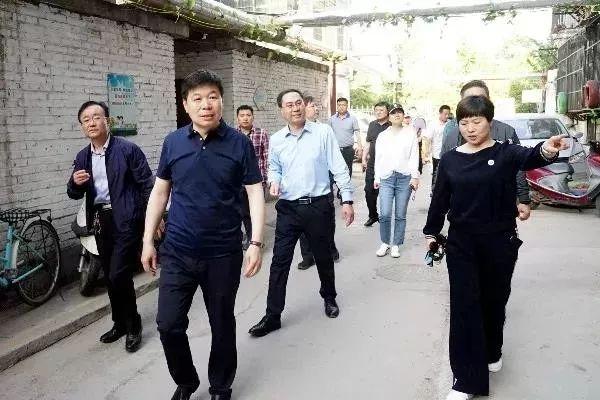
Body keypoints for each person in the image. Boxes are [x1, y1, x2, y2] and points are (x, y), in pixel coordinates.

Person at [423, 96, 568, 400]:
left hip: (499, 241)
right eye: (464, 123)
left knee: (493, 302)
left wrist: (547, 149)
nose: (470, 128)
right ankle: (465, 380)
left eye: (476, 121)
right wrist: (431, 232)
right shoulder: (450, 160)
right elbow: (440, 199)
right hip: (462, 243)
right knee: (465, 308)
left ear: (490, 121)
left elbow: (531, 156)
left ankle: (492, 350)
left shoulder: (505, 152)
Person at [141, 70, 265, 400]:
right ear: (185, 104)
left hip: (222, 252)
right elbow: (160, 192)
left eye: (212, 97)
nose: (205, 104)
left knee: (221, 322)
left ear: (221, 101)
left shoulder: (239, 143)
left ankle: (220, 385)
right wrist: (148, 240)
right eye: (197, 98)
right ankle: (186, 380)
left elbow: (254, 192)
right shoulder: (173, 142)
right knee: (168, 324)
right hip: (178, 251)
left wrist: (255, 242)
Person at [248, 89, 355, 338]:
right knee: (279, 263)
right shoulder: (277, 139)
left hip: (318, 206)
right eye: (289, 105)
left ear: (304, 106)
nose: (295, 108)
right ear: (281, 110)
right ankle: (273, 315)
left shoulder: (323, 133)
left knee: (323, 257)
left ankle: (329, 297)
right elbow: (274, 168)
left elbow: (338, 166)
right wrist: (274, 180)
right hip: (288, 209)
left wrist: (347, 199)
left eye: (299, 103)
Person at [67, 101, 153, 353]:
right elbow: (73, 193)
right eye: (86, 120)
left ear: (108, 121)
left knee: (118, 274)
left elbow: (147, 184)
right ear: (82, 127)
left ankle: (133, 323)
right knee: (110, 274)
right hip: (100, 220)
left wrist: (154, 218)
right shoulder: (82, 157)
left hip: (127, 217)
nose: (91, 122)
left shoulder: (128, 150)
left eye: (96, 117)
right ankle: (120, 323)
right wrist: (74, 183)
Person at [441, 80, 532, 220]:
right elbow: (442, 172)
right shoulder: (452, 136)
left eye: (480, 98)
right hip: (463, 211)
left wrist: (524, 199)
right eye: (470, 99)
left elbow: (518, 167)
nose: (475, 103)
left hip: (499, 209)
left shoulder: (506, 131)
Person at [297, 95, 340, 270]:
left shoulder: (324, 130)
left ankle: (330, 248)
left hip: (323, 183)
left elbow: (334, 158)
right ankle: (308, 256)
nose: (316, 108)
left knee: (327, 220)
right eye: (312, 106)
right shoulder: (294, 132)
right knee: (303, 222)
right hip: (301, 186)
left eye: (316, 106)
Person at [373, 104, 420, 258]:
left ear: (403, 115)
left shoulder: (410, 133)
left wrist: (415, 176)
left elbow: (414, 156)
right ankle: (385, 242)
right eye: (393, 113)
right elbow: (378, 158)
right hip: (386, 177)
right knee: (385, 213)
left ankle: (396, 244)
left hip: (404, 178)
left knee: (400, 214)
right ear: (389, 116)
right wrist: (377, 177)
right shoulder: (383, 136)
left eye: (400, 112)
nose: (397, 115)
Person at [236, 104, 269, 250]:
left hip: (256, 181)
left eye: (248, 115)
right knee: (244, 212)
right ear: (238, 118)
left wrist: (266, 179)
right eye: (242, 115)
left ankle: (257, 240)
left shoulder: (261, 134)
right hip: (238, 182)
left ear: (253, 117)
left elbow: (267, 157)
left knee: (256, 211)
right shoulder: (233, 135)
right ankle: (251, 238)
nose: (245, 118)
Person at [362, 101, 391, 227]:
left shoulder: (391, 126)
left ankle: (385, 217)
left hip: (387, 165)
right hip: (372, 164)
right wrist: (364, 159)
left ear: (387, 111)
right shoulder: (372, 125)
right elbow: (368, 143)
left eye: (381, 110)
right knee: (369, 191)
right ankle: (373, 215)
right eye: (376, 110)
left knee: (385, 193)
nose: (378, 112)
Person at [328, 97, 361, 190]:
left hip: (348, 150)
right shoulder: (331, 119)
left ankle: (343, 190)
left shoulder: (353, 119)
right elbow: (328, 135)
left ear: (347, 106)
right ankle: (335, 188)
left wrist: (360, 147)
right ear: (337, 106)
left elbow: (357, 133)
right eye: (339, 105)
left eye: (343, 105)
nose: (341, 107)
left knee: (347, 170)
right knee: (333, 170)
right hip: (335, 150)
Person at [423, 105, 451, 192]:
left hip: (449, 154)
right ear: (440, 113)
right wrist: (426, 153)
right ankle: (434, 191)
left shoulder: (450, 124)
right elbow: (428, 139)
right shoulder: (433, 124)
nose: (447, 116)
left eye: (448, 114)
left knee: (448, 174)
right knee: (437, 174)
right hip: (437, 154)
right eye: (445, 114)